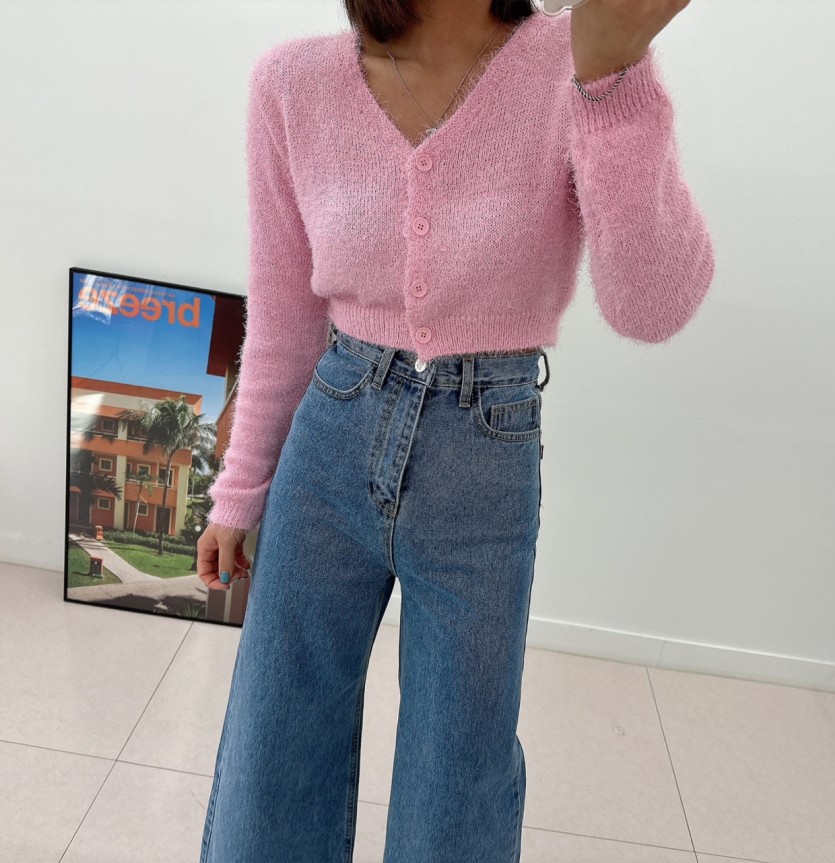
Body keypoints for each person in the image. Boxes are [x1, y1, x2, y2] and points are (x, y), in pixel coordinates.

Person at [196, 0, 713, 860]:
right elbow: (284, 316)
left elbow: (653, 305)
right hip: (330, 437)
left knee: (455, 785)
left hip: (484, 455)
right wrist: (240, 491)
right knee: (270, 753)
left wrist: (612, 81)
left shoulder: (574, 56)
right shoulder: (291, 84)